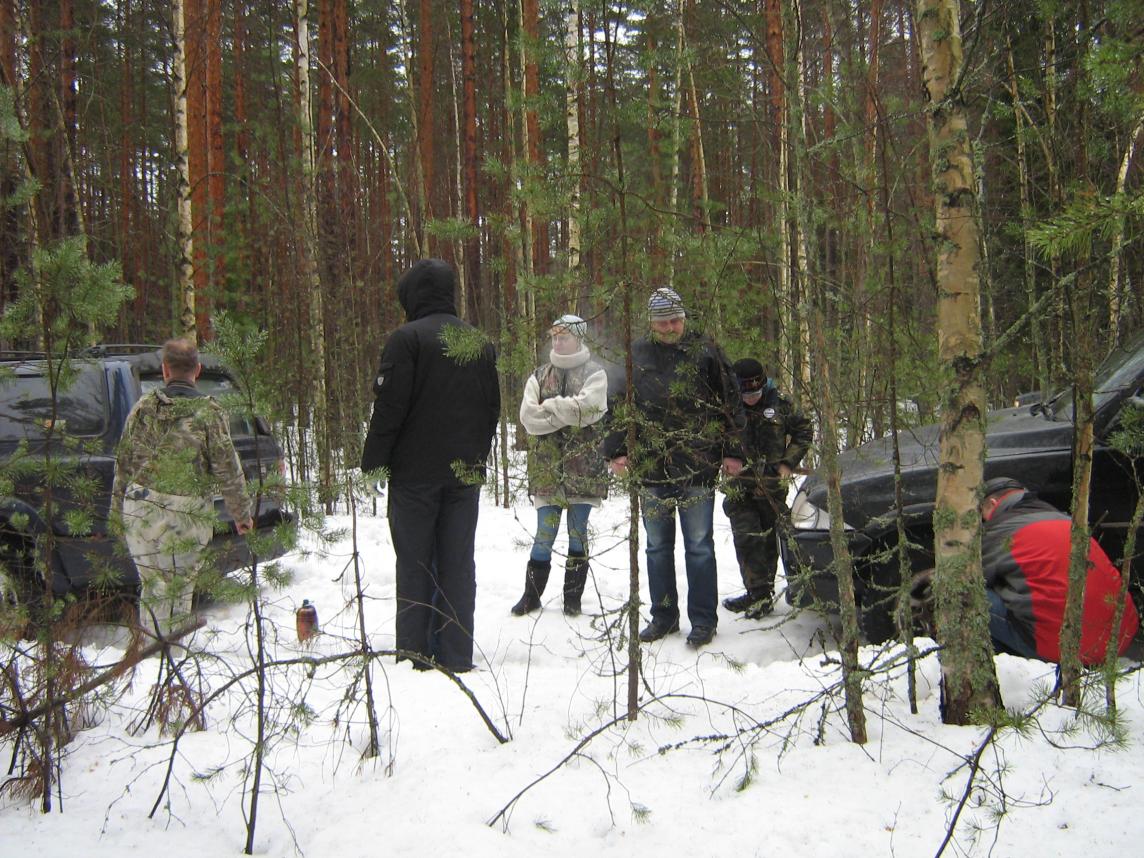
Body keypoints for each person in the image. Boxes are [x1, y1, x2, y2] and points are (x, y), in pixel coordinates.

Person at [361, 258, 500, 673]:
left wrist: (374, 463)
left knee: (415, 564)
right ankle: (456, 655)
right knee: (457, 564)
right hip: (463, 476)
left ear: (412, 295)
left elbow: (389, 408)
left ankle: (415, 654)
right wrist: (477, 460)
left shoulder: (407, 339)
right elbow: (491, 410)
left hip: (414, 477)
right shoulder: (479, 342)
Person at [604, 287, 745, 648]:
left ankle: (703, 620)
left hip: (698, 464)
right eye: (662, 322)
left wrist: (733, 451)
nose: (669, 328)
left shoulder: (706, 351)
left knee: (699, 546)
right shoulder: (636, 353)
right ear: (651, 323)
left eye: (675, 321)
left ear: (684, 318)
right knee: (656, 547)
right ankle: (664, 617)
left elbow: (731, 402)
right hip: (651, 467)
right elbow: (618, 403)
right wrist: (616, 450)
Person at [112, 338, 254, 637]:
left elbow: (123, 463)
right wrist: (241, 513)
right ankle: (169, 652)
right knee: (179, 588)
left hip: (141, 505)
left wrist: (116, 514)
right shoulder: (209, 411)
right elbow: (227, 467)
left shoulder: (142, 408)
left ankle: (153, 647)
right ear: (197, 370)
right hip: (186, 510)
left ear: (165, 370)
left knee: (152, 586)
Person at [979, 476, 1139, 663]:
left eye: (982, 513)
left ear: (993, 503)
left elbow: (973, 576)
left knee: (967, 592)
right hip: (1117, 642)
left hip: (1059, 647)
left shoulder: (1000, 530)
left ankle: (998, 665)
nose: (983, 521)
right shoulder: (1067, 521)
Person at [513, 314, 608, 617]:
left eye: (564, 337)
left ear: (578, 339)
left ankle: (572, 599)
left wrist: (551, 407)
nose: (557, 342)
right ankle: (531, 597)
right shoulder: (539, 376)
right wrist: (569, 413)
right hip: (546, 470)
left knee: (578, 533)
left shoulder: (595, 374)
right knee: (545, 533)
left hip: (585, 469)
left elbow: (589, 410)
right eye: (554, 336)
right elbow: (528, 418)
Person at [721, 358, 812, 620]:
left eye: (755, 393)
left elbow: (804, 431)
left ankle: (766, 593)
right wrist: (725, 457)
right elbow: (713, 436)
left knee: (770, 539)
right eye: (746, 394)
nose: (751, 398)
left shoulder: (781, 403)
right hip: (739, 485)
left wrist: (787, 463)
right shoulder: (727, 405)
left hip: (771, 485)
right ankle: (757, 593)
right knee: (746, 537)